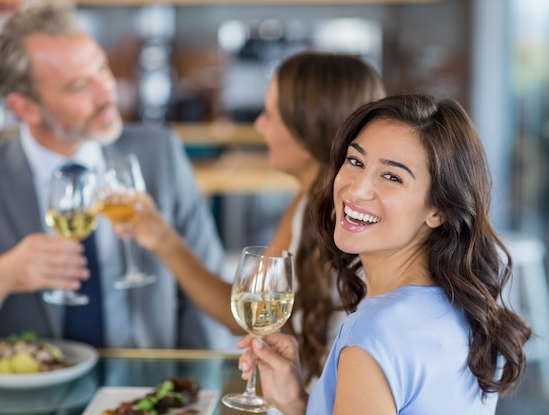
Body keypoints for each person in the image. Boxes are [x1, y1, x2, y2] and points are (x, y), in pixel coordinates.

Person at [0, 3, 233, 353]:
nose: (106, 93)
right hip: (36, 392)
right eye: (80, 85)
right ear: (25, 108)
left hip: (146, 389)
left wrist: (195, 387)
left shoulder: (160, 153)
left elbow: (210, 298)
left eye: (102, 68)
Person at [236, 93, 531, 415]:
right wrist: (297, 403)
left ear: (438, 210)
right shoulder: (466, 312)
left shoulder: (374, 333)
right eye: (355, 161)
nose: (357, 189)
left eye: (392, 177)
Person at [122, 51, 386, 384]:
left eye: (271, 116)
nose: (259, 126)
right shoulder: (307, 203)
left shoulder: (354, 230)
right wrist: (163, 240)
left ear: (308, 130)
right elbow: (253, 312)